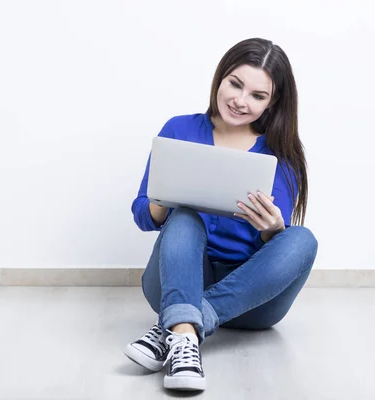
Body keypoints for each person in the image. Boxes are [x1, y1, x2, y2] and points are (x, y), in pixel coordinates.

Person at [123, 38, 319, 392]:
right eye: (235, 84)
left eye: (258, 96)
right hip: (176, 281)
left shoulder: (282, 153)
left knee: (301, 238)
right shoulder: (180, 130)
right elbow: (142, 214)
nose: (240, 101)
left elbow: (277, 252)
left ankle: (180, 324)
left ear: (272, 103)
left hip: (249, 301)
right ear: (220, 78)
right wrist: (165, 198)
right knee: (184, 216)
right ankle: (184, 326)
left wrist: (273, 230)